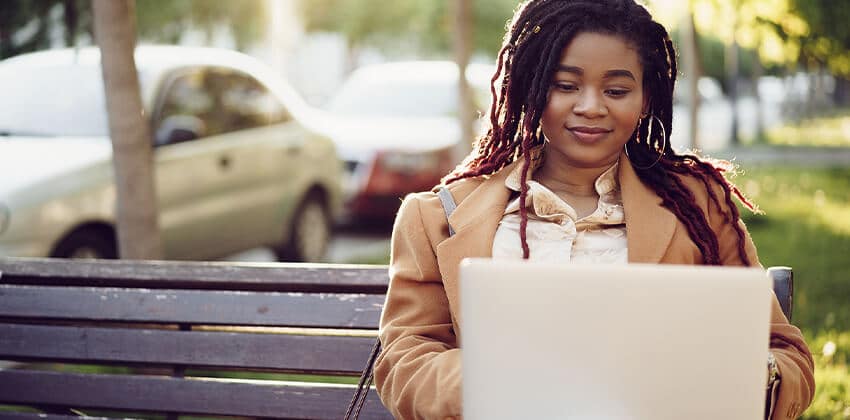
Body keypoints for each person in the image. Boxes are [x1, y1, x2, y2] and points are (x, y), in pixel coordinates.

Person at [373, 0, 815, 418]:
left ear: (646, 99)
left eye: (617, 90)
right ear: (532, 87)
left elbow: (788, 357)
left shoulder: (698, 210)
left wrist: (741, 375)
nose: (590, 107)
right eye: (565, 85)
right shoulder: (436, 218)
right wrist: (507, 383)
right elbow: (403, 362)